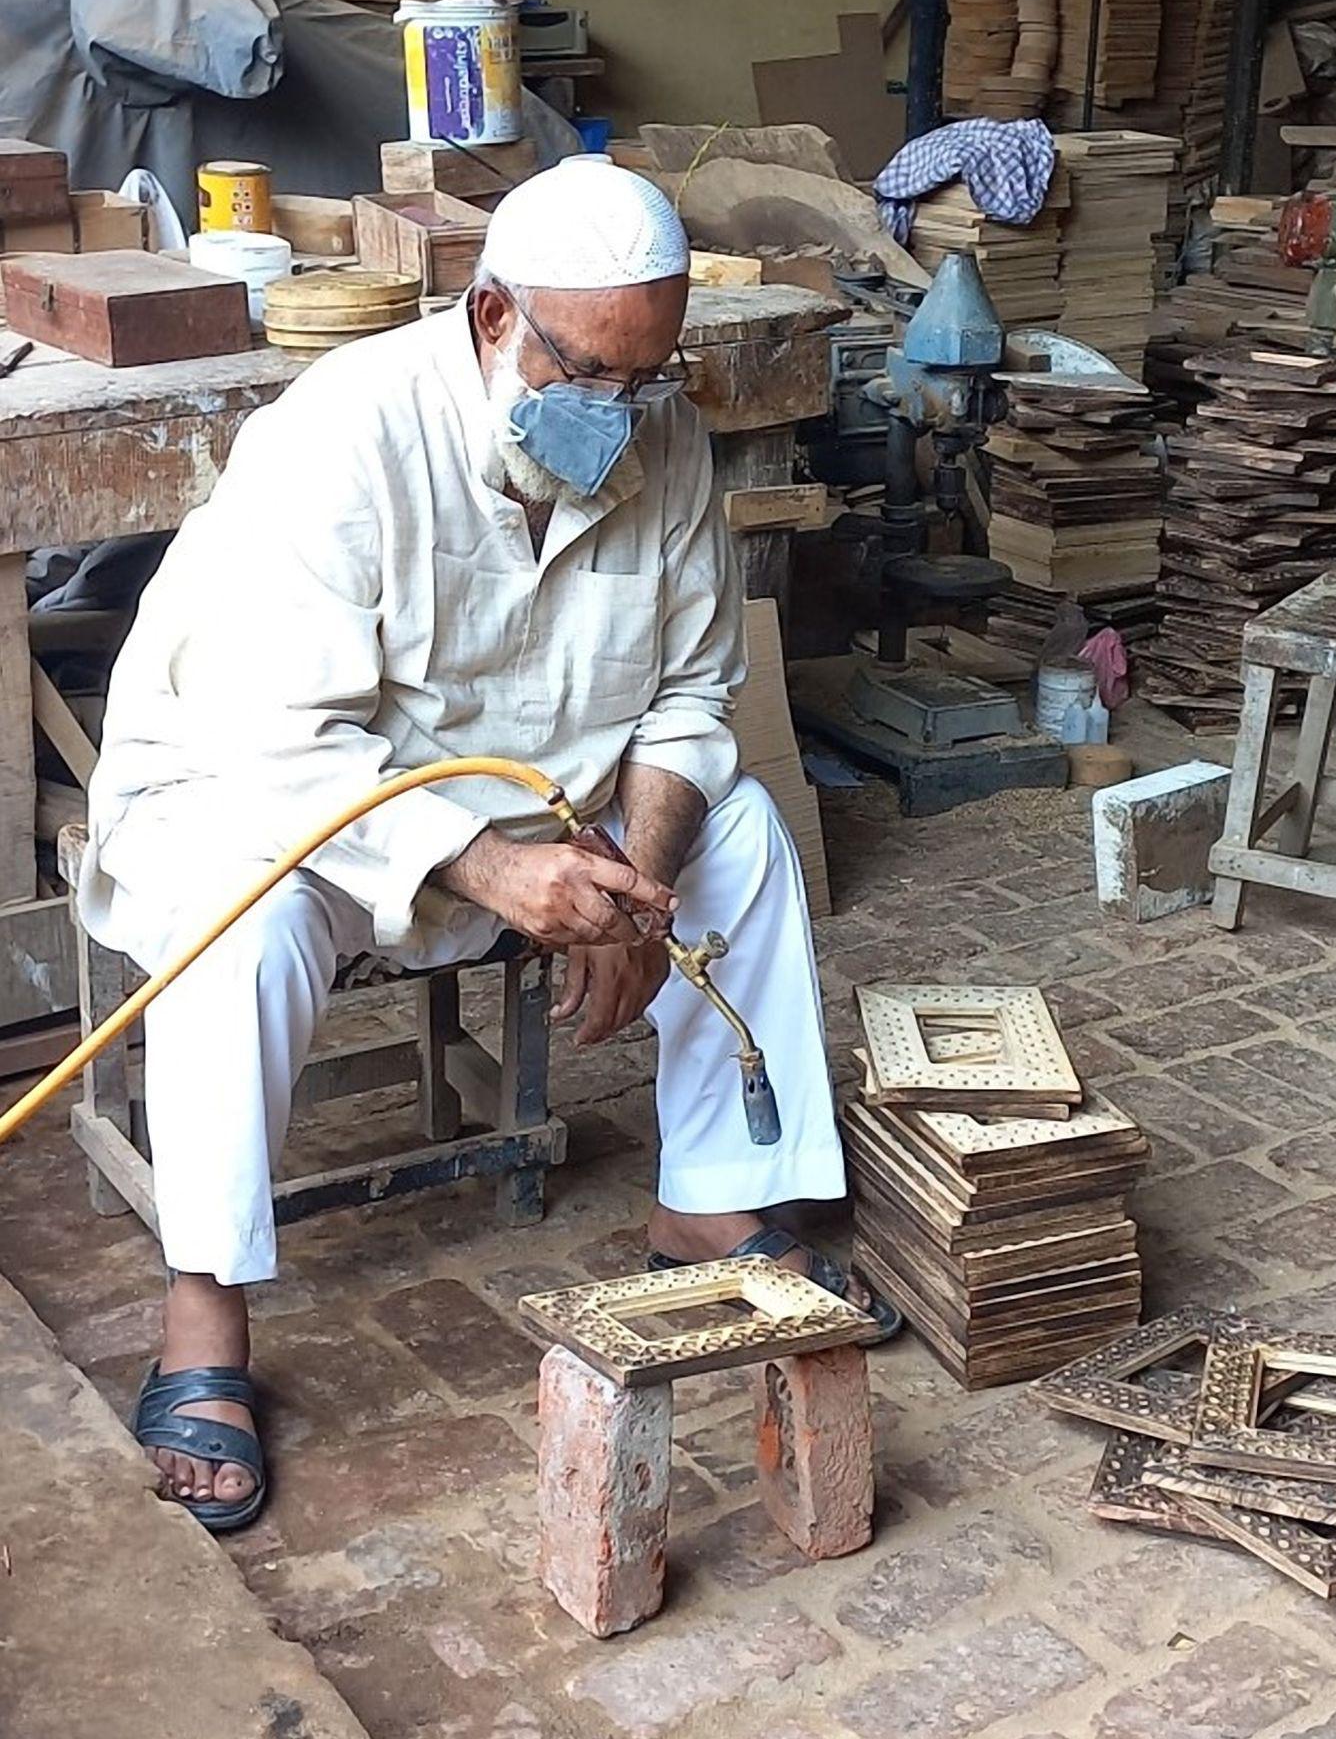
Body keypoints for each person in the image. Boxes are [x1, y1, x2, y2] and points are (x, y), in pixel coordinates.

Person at [79, 154, 898, 1535]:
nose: (615, 415)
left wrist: (635, 893)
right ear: (492, 315)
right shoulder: (339, 437)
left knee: (741, 830)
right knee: (244, 912)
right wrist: (490, 869)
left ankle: (710, 1203)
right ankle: (202, 1315)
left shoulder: (661, 431)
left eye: (644, 380)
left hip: (537, 794)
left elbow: (693, 699)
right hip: (274, 793)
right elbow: (275, 737)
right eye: (584, 374)